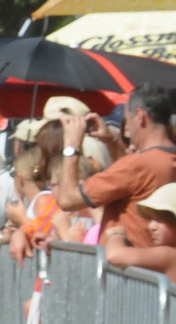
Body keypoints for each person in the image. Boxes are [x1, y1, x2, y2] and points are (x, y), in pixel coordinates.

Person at [56, 85, 176, 245]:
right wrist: (111, 141)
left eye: (127, 119)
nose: (125, 128)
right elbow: (130, 180)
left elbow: (68, 200)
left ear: (140, 116)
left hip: (128, 263)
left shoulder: (138, 165)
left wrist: (71, 146)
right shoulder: (164, 159)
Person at [101, 182, 176, 282]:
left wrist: (116, 235)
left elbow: (114, 255)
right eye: (150, 219)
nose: (151, 226)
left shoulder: (169, 255)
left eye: (159, 220)